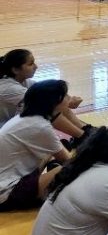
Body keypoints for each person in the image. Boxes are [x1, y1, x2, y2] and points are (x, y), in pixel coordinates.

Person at [0, 80, 71, 211]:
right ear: (54, 102)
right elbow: (68, 160)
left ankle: (46, 181)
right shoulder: (40, 125)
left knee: (60, 148)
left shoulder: (25, 117)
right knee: (69, 168)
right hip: (6, 193)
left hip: (10, 177)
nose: (69, 98)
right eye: (66, 96)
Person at [0, 49, 92, 144]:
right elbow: (47, 101)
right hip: (4, 131)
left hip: (11, 125)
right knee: (48, 109)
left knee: (55, 102)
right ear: (15, 70)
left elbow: (50, 91)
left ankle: (86, 131)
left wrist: (67, 99)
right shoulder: (8, 88)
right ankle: (83, 137)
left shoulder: (23, 81)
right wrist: (68, 102)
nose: (36, 67)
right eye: (31, 64)